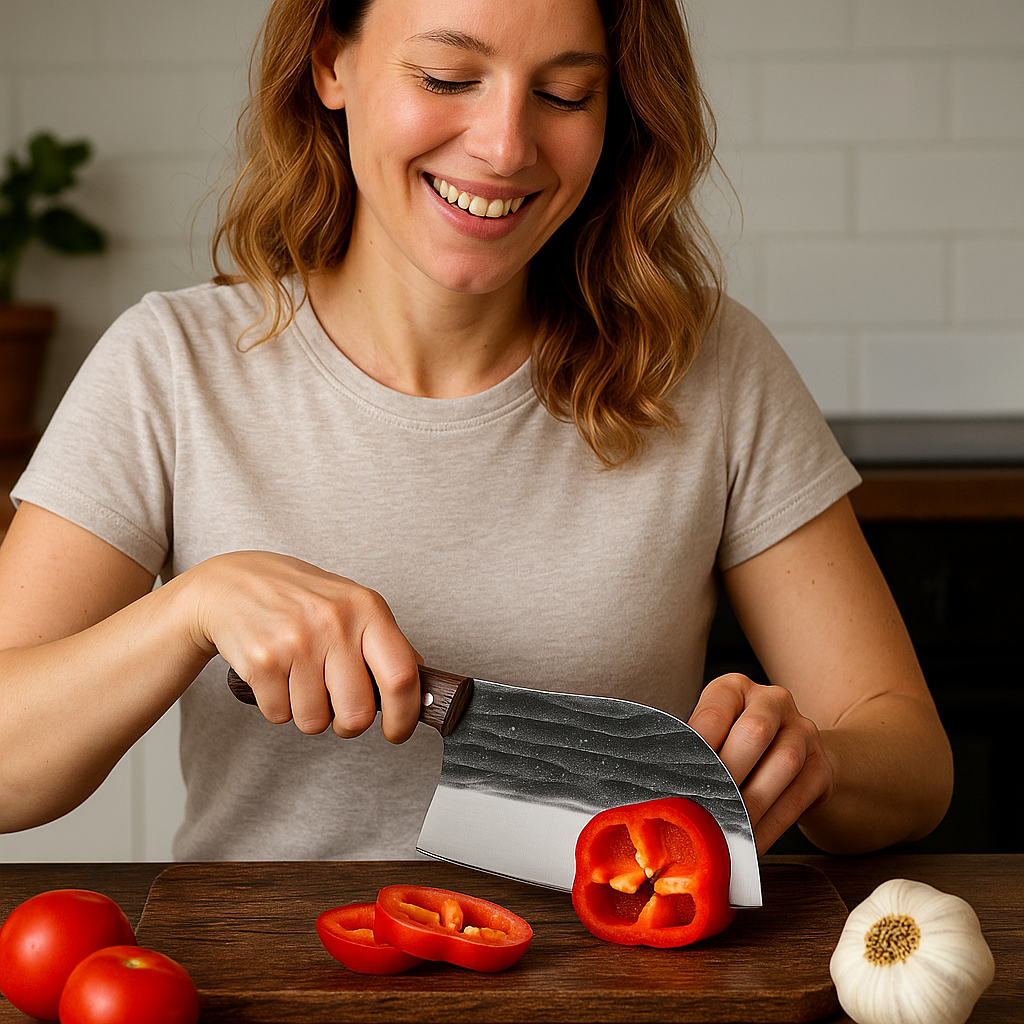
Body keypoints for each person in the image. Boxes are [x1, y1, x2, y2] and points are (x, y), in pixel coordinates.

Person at [0, 0, 952, 862]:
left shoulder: (711, 364)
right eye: (447, 79)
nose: (504, 147)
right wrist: (188, 613)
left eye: (566, 94)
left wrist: (812, 756)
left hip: (619, 982)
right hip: (264, 982)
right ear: (330, 62)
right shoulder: (171, 365)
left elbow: (911, 762)